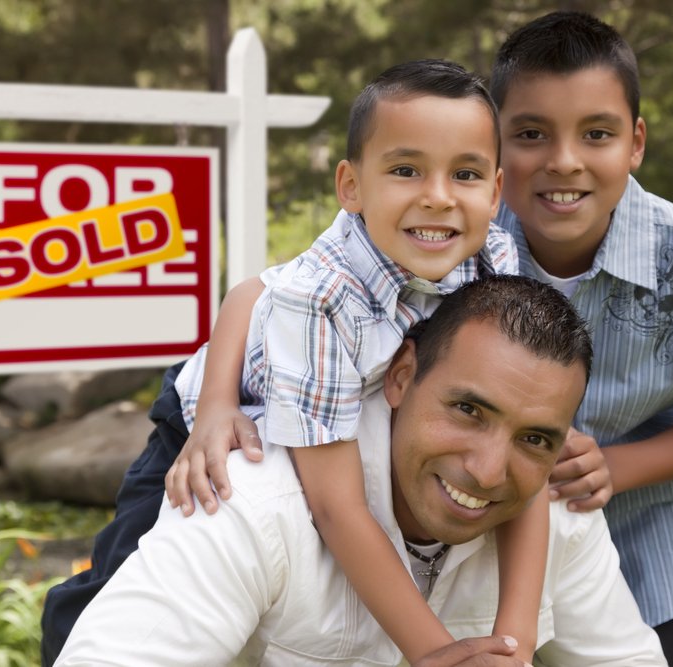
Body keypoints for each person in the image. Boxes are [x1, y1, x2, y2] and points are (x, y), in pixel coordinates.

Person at [43, 60, 550, 664]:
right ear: (351, 186)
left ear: (494, 191)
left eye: (464, 173)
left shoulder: (493, 253)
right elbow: (336, 507)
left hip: (344, 392)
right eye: (406, 170)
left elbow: (251, 289)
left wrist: (514, 645)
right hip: (214, 408)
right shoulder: (322, 299)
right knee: (136, 572)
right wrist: (434, 652)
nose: (438, 197)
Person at [54, 275, 668, 666]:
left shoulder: (554, 503)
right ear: (400, 377)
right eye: (467, 410)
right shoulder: (250, 496)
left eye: (535, 437)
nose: (487, 471)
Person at [487, 11, 673, 667]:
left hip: (649, 546)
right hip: (491, 543)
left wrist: (613, 468)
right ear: (495, 141)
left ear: (636, 142)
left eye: (597, 134)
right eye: (531, 133)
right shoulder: (464, 248)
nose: (564, 161)